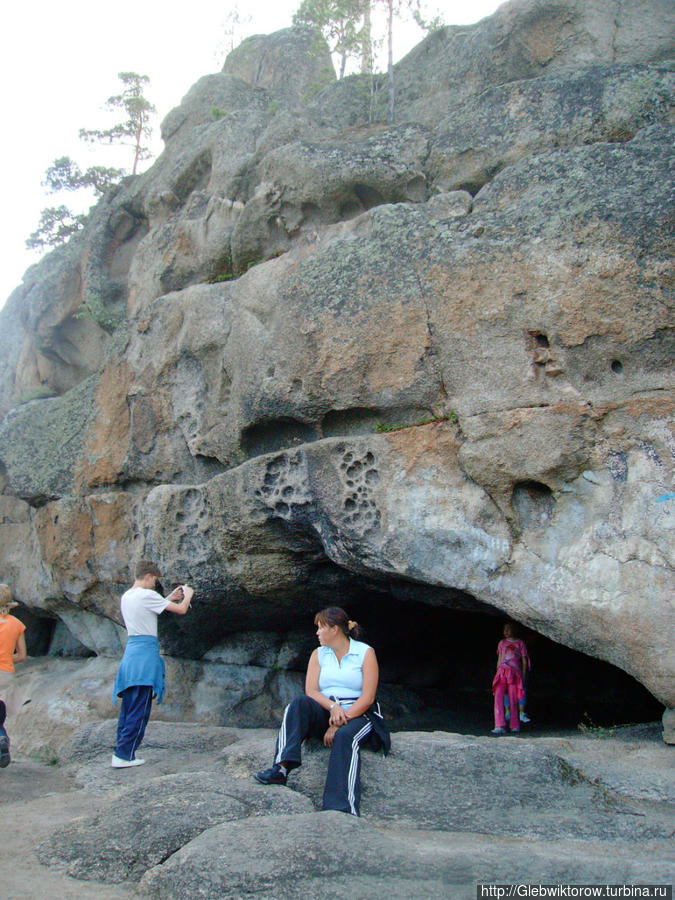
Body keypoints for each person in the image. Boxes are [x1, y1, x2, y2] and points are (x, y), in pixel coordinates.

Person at [254, 606, 390, 817]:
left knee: (345, 737)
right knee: (298, 704)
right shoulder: (319, 654)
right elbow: (311, 691)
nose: (317, 633)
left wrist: (338, 723)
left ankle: (342, 807)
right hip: (329, 709)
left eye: (320, 628)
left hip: (359, 713)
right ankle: (280, 768)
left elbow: (367, 698)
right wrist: (333, 708)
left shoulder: (365, 652)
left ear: (334, 629)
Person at [112, 560, 194, 768]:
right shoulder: (147, 595)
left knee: (129, 706)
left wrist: (168, 599)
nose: (154, 584)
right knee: (140, 708)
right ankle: (125, 755)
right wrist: (188, 594)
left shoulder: (128, 596)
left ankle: (121, 751)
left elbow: (149, 608)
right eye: (154, 580)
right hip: (144, 656)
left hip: (131, 654)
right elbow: (182, 610)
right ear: (148, 576)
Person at [0, 584, 27, 768]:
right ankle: (1, 737)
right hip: (6, 674)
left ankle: (1, 737)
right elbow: (22, 656)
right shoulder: (17, 624)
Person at [491, 621, 529, 735]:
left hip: (514, 673)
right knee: (498, 697)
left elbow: (524, 661)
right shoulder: (502, 643)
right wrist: (497, 672)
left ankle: (514, 725)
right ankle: (499, 725)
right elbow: (500, 658)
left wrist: (522, 675)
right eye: (504, 629)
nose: (506, 632)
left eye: (508, 629)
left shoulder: (520, 643)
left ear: (514, 630)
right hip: (502, 672)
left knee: (513, 699)